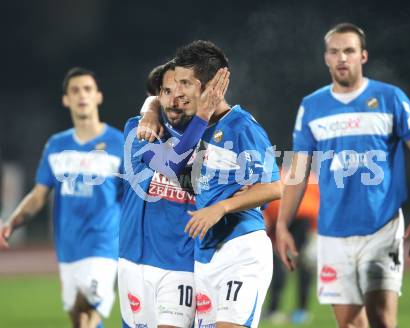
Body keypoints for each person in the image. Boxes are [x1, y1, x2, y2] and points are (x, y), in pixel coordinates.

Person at [276, 22, 410, 328]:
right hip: (333, 232)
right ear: (326, 57)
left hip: (381, 226)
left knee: (381, 319)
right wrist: (283, 225)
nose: (342, 58)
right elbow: (298, 171)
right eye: (335, 51)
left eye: (349, 51)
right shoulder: (312, 106)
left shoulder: (390, 98)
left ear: (362, 56)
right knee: (350, 324)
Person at [0, 67, 124, 328]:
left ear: (98, 96)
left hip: (103, 244)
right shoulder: (56, 145)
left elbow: (133, 195)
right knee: (80, 318)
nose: (82, 95)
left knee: (86, 304)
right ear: (66, 99)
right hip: (67, 246)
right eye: (75, 90)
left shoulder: (118, 143)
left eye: (88, 89)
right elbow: (38, 194)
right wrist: (11, 223)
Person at [171, 40, 281, 328]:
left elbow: (274, 186)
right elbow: (175, 167)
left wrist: (221, 207)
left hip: (241, 250)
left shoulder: (242, 126)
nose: (178, 90)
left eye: (185, 82)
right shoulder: (194, 129)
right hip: (205, 255)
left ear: (210, 86)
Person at [118, 60, 229, 328]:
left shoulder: (216, 141)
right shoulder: (141, 129)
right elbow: (171, 162)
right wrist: (151, 110)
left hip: (181, 264)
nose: (174, 100)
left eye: (181, 93)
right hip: (131, 262)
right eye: (166, 92)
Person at [264, 171, 319, 325]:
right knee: (302, 265)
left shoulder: (275, 173)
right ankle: (300, 310)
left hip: (285, 219)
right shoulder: (308, 175)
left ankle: (276, 310)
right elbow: (318, 203)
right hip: (301, 219)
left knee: (282, 264)